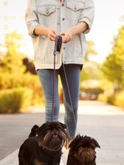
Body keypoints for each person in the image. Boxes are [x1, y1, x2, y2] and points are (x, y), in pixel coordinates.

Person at [25, 0, 95, 140]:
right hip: (45, 57)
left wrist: (71, 31)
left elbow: (87, 21)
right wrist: (46, 31)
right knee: (52, 107)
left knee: (72, 106)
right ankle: (50, 147)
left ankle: (70, 143)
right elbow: (31, 23)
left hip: (72, 56)